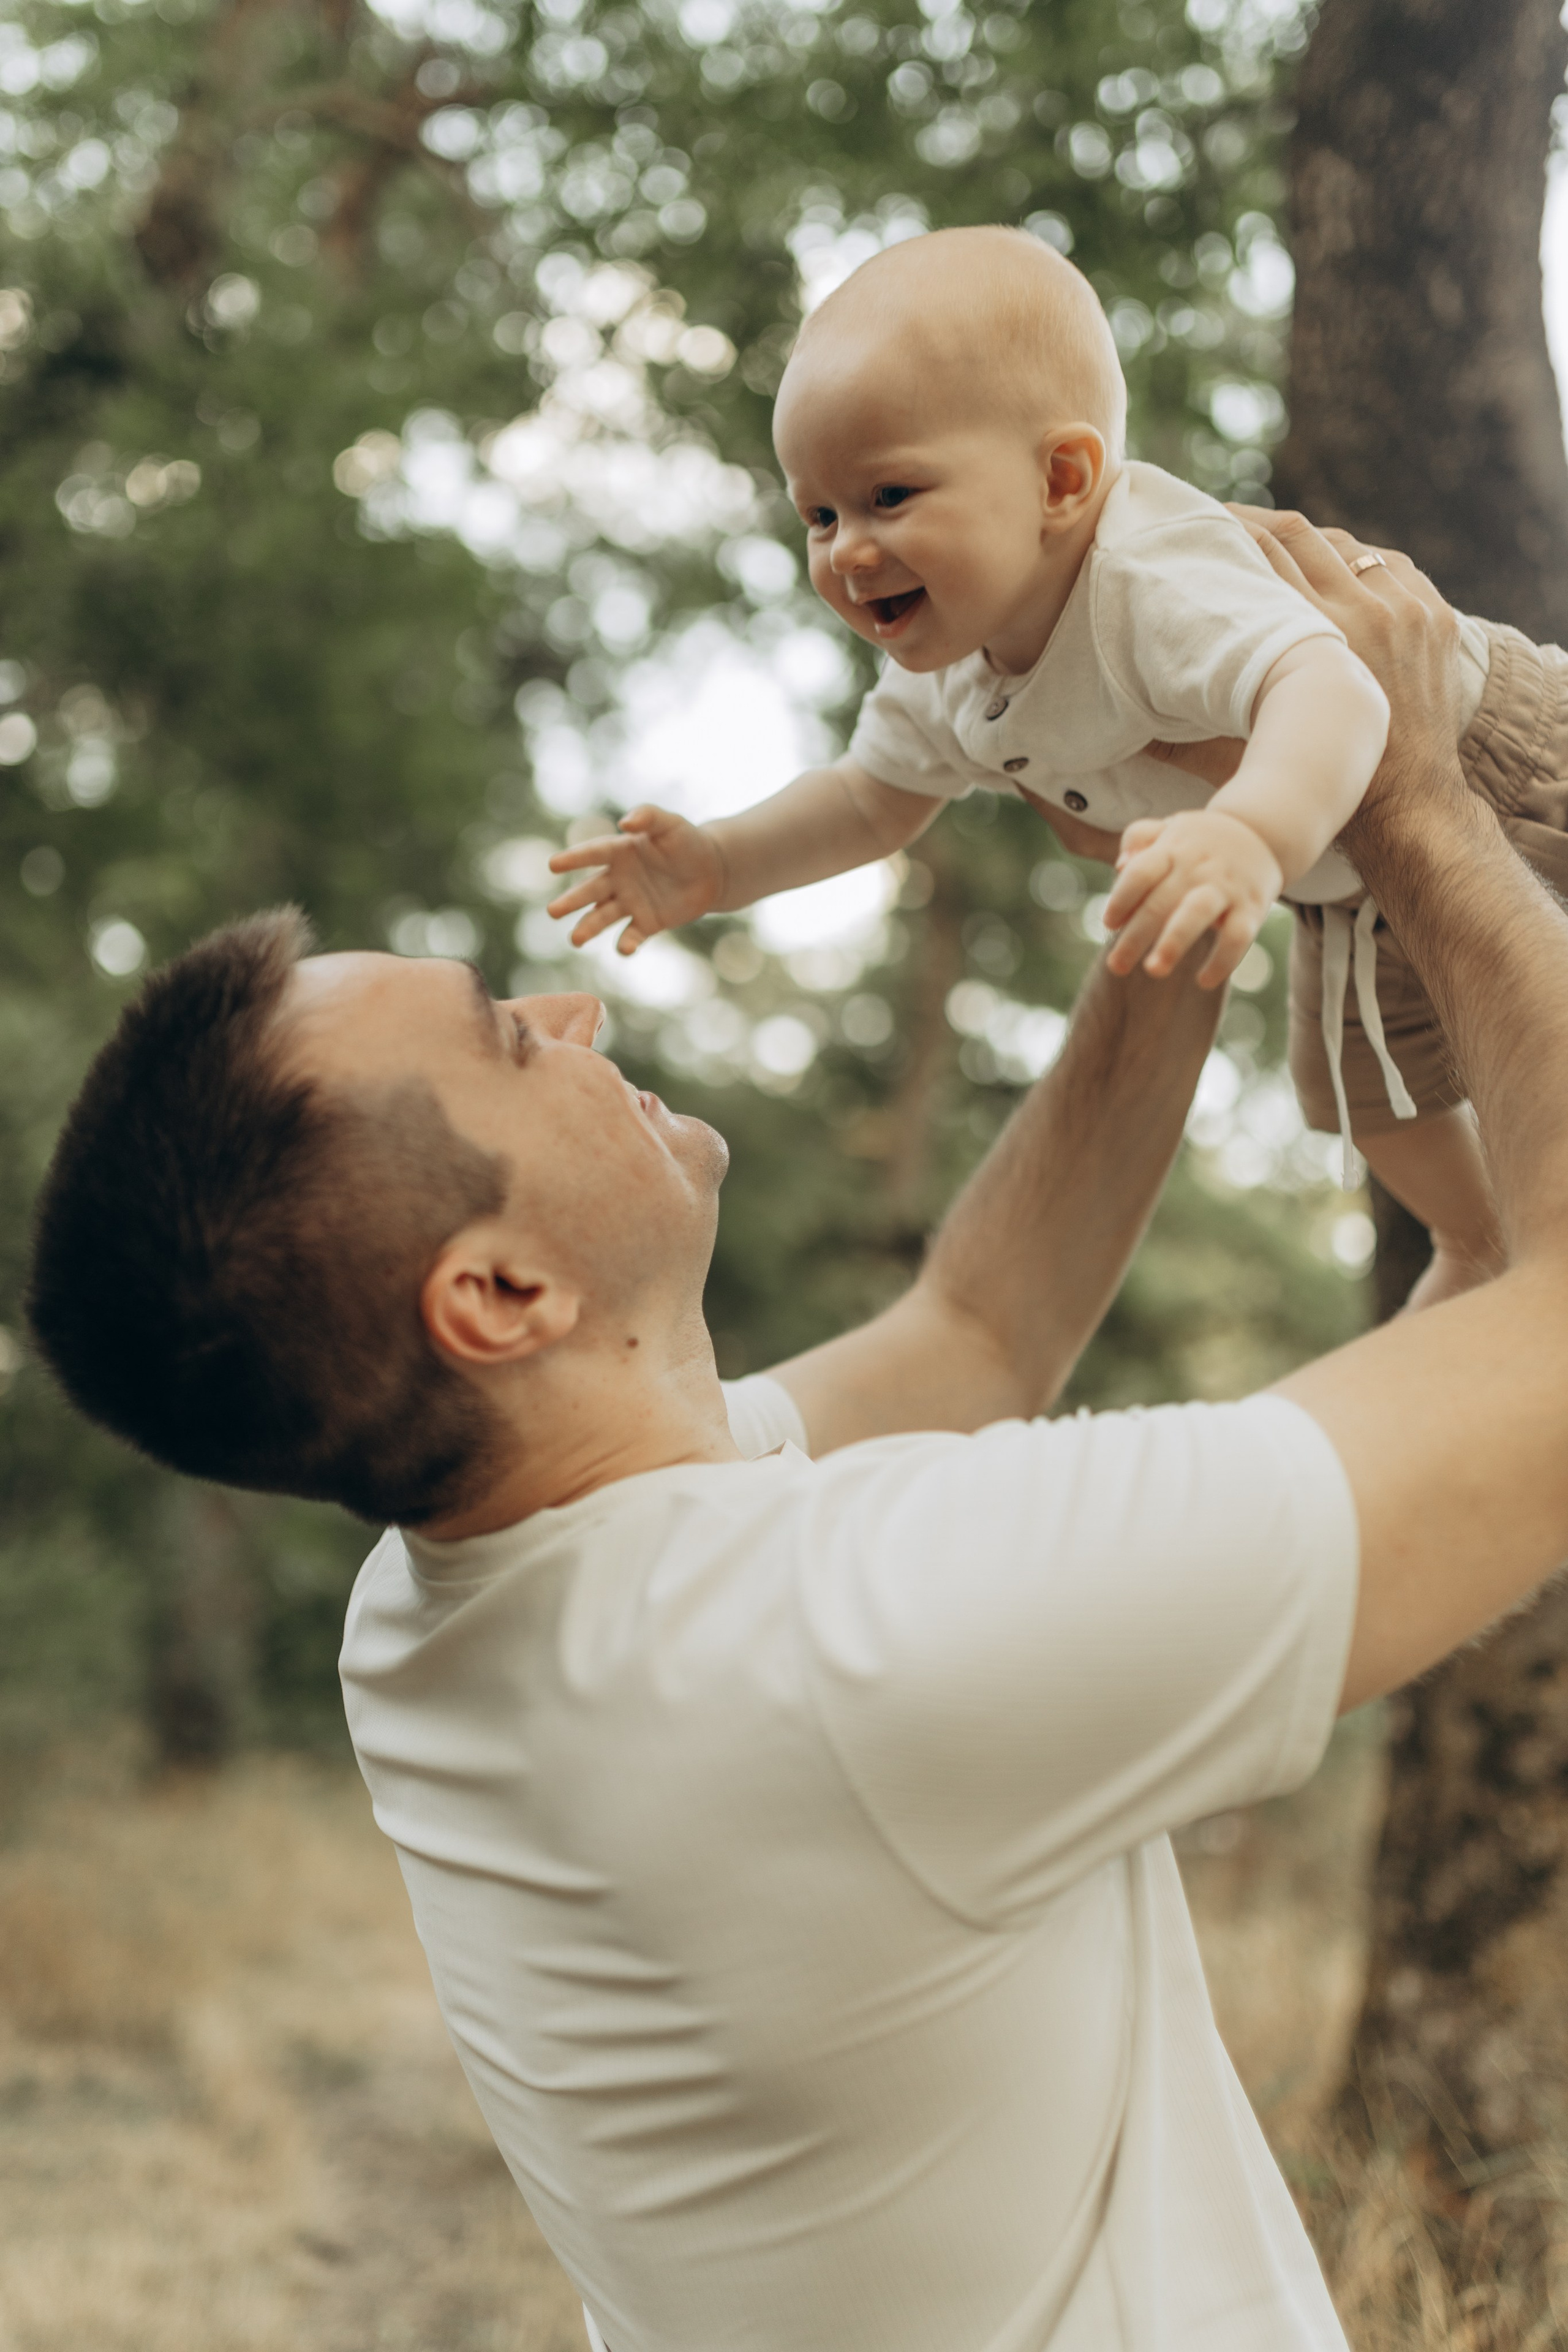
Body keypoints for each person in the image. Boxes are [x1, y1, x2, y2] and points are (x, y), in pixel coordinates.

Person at [23, 515, 1568, 2352]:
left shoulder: (452, 1599)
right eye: (513, 1044)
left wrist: (1188, 890)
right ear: (499, 1298)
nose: (575, 1009)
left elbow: (974, 1331)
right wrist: (1408, 808)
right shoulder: (868, 1644)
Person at [546, 225, 1568, 1307]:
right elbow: (866, 801)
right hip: (1351, 889)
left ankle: (1494, 1251)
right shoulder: (945, 668)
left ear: (1063, 478)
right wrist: (718, 865)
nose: (846, 548)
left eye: (890, 496)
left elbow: (1333, 688)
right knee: (1368, 1100)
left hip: (1496, 762)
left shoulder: (1145, 577)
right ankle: (1485, 1247)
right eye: (820, 512)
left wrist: (1248, 833)